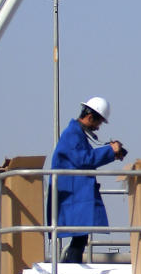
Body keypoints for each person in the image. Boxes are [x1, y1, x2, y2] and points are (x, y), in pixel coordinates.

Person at [47, 96, 127, 264]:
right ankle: (70, 268)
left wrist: (110, 152)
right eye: (98, 123)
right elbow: (84, 159)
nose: (98, 128)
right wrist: (110, 151)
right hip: (73, 195)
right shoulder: (72, 135)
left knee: (80, 237)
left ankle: (69, 267)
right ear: (90, 117)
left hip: (75, 194)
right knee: (79, 237)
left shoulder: (76, 134)